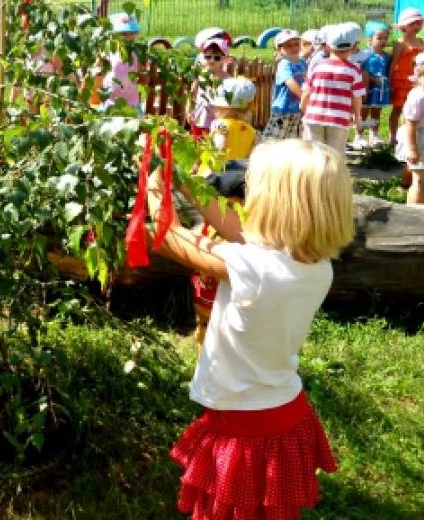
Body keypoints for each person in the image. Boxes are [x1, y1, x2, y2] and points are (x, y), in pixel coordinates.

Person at [149, 138, 352, 520]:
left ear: (275, 205)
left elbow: (170, 236)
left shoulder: (252, 268)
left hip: (242, 424)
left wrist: (157, 177)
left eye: (252, 187)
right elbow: (235, 230)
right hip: (283, 412)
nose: (243, 195)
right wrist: (182, 177)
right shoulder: (314, 264)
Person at [192, 76, 257, 343]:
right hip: (239, 191)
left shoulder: (221, 126)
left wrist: (201, 171)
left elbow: (216, 155)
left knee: (208, 235)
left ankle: (203, 319)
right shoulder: (250, 130)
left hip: (218, 186)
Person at [301, 23, 365, 154]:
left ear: (328, 46)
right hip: (339, 118)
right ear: (352, 47)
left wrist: (302, 107)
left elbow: (307, 91)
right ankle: (331, 175)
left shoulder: (317, 66)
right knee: (334, 155)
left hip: (314, 116)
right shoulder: (354, 69)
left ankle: (314, 175)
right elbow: (357, 97)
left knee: (313, 153)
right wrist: (357, 116)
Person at [388, 7, 424, 145]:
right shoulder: (401, 43)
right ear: (404, 26)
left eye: (418, 23)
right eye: (412, 24)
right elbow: (393, 64)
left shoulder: (421, 42)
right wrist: (390, 82)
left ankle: (410, 135)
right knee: (398, 108)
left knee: (415, 109)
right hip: (402, 80)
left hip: (418, 81)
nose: (416, 26)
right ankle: (393, 135)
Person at [92, 12, 141, 113]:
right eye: (123, 34)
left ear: (136, 34)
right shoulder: (109, 51)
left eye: (131, 33)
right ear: (113, 35)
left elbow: (140, 72)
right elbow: (96, 70)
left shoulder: (137, 52)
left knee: (135, 125)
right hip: (110, 101)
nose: (128, 37)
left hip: (131, 101)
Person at [262, 29, 306, 141]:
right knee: (274, 139)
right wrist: (304, 97)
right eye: (288, 46)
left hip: (298, 111)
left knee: (294, 141)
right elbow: (290, 82)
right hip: (283, 110)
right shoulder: (284, 64)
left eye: (296, 44)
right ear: (280, 49)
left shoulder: (303, 63)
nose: (293, 48)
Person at [188, 28, 231, 139]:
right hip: (200, 116)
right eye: (208, 56)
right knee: (197, 142)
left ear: (224, 58)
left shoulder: (227, 78)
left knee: (214, 143)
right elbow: (193, 92)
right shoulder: (201, 74)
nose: (212, 60)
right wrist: (189, 110)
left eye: (217, 57)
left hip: (217, 119)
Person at [395, 54, 424, 205]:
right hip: (419, 138)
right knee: (419, 180)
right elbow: (411, 123)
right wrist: (413, 149)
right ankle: (414, 215)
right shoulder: (419, 95)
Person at [358, 25, 392, 148]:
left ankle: (374, 134)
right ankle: (359, 135)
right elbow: (362, 71)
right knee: (364, 112)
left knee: (377, 112)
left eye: (385, 38)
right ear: (370, 39)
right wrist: (373, 79)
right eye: (379, 38)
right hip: (369, 88)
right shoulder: (365, 55)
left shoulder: (387, 56)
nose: (383, 41)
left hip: (381, 89)